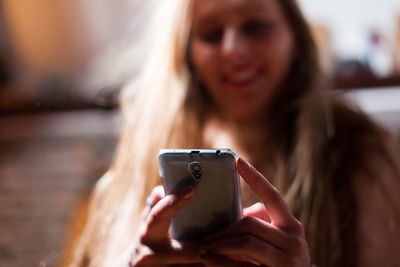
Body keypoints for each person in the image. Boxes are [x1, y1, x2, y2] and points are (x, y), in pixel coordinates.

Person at [62, 0, 400, 266]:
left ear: (296, 37)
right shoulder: (150, 142)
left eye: (256, 26)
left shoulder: (361, 150)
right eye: (210, 33)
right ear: (187, 52)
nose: (234, 50)